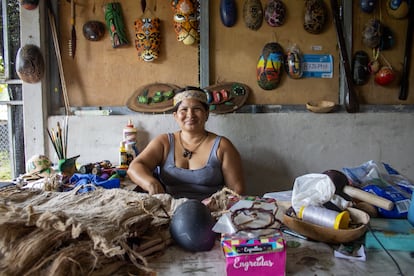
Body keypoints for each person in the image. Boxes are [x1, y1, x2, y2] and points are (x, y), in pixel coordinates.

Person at [127, 86, 245, 201]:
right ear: (175, 116)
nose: (190, 115)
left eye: (197, 109)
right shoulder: (164, 142)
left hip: (212, 213)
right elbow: (135, 167)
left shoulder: (222, 146)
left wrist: (217, 204)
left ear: (207, 114)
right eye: (184, 110)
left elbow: (236, 190)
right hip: (170, 211)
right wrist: (151, 183)